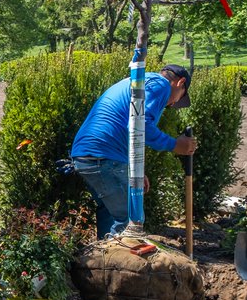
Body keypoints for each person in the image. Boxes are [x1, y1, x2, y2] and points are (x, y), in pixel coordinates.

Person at [68, 64, 198, 238]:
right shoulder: (160, 85)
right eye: (179, 98)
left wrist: (133, 169)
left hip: (87, 154)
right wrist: (174, 145)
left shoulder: (143, 82)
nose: (172, 104)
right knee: (131, 219)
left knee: (110, 212)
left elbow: (128, 126)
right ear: (180, 82)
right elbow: (139, 124)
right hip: (103, 155)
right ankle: (116, 262)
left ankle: (104, 260)